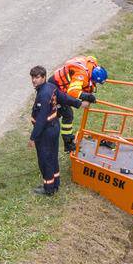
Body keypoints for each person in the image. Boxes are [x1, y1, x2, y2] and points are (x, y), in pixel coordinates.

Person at [29, 65, 87, 196]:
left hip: (45, 132)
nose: (34, 80)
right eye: (32, 77)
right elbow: (64, 98)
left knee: (45, 159)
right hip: (55, 127)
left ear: (43, 77)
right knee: (53, 156)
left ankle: (48, 188)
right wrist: (79, 104)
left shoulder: (43, 95)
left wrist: (33, 138)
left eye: (37, 77)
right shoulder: (51, 87)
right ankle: (56, 183)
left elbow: (41, 119)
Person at [49, 56, 109, 154]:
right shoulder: (81, 75)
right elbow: (72, 92)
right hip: (55, 88)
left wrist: (86, 94)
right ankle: (68, 144)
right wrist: (86, 97)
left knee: (59, 113)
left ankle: (52, 123)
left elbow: (91, 57)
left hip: (60, 85)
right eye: (95, 82)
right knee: (67, 114)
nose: (95, 84)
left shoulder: (91, 64)